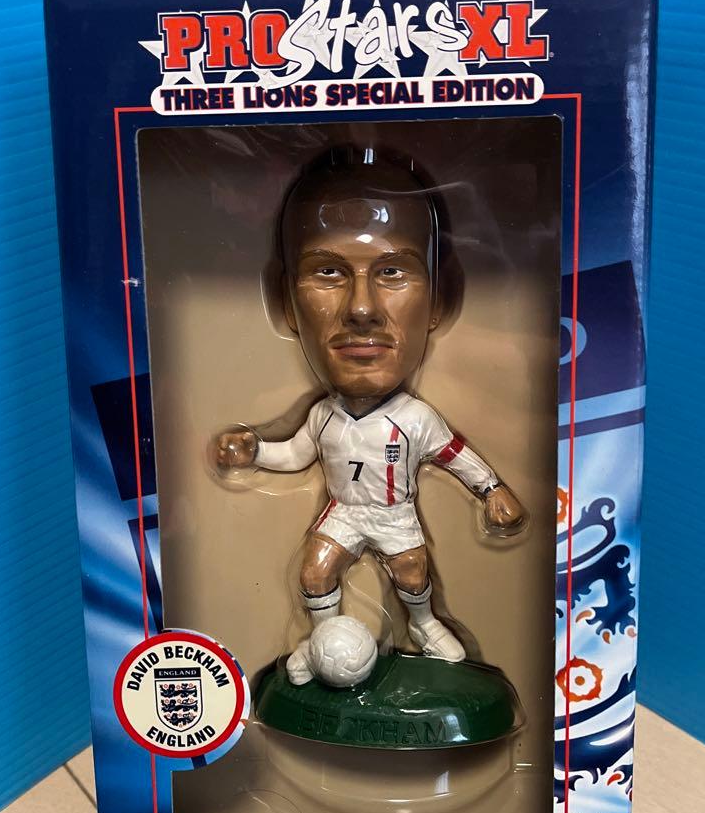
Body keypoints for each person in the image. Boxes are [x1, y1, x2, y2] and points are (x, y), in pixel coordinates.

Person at [215, 148, 524, 683]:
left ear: (439, 299)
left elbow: (455, 456)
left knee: (412, 572)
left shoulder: (415, 418)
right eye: (328, 272)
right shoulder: (324, 416)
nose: (361, 309)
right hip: (345, 511)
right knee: (314, 572)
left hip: (394, 513)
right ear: (286, 302)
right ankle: (323, 642)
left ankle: (424, 625)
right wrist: (255, 451)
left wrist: (492, 490)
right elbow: (294, 455)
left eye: (393, 271)